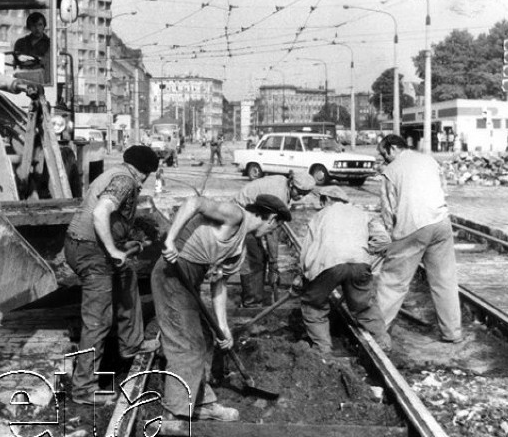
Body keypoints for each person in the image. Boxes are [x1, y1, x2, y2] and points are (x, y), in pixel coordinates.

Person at [152, 194, 290, 421]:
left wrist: (223, 327)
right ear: (272, 219)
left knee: (204, 338)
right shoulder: (236, 215)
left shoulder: (240, 247)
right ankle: (175, 412)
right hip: (172, 273)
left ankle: (201, 402)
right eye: (275, 227)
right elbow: (193, 202)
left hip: (189, 280)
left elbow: (219, 284)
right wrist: (170, 240)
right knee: (187, 343)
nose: (272, 233)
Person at [64, 145, 161, 406]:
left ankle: (132, 343)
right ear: (145, 173)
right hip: (91, 252)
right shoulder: (125, 181)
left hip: (84, 246)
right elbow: (100, 212)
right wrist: (113, 250)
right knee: (98, 319)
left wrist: (129, 237)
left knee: (126, 278)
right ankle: (84, 388)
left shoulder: (115, 173)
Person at [373, 135, 463, 343]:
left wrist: (389, 243)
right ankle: (452, 332)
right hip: (441, 223)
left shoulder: (391, 171)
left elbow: (388, 211)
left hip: (412, 226)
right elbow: (444, 191)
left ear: (393, 148)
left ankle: (376, 333)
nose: (383, 158)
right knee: (445, 280)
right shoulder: (429, 160)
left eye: (384, 153)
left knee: (393, 282)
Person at [298, 186, 392, 353]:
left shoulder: (320, 216)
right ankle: (383, 343)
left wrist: (302, 278)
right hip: (360, 262)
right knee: (365, 306)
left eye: (322, 201)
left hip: (327, 263)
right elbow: (384, 240)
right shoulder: (362, 213)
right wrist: (363, 252)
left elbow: (306, 251)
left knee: (313, 305)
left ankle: (323, 350)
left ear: (326, 200)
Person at [233, 170, 315, 307]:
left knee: (260, 256)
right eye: (299, 192)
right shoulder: (279, 194)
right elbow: (272, 231)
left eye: (304, 194)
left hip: (253, 215)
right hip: (242, 216)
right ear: (291, 184)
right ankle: (251, 302)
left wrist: (272, 262)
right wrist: (274, 263)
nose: (300, 196)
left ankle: (254, 296)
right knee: (254, 259)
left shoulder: (283, 186)